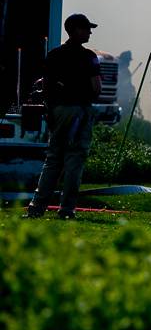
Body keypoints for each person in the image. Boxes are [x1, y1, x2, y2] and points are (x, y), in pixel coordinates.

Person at [25, 14, 101, 219]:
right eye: (86, 28)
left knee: (53, 160)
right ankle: (66, 209)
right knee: (74, 160)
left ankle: (36, 208)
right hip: (79, 111)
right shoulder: (89, 57)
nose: (90, 32)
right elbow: (96, 87)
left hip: (57, 110)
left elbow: (47, 87)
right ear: (75, 30)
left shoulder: (54, 55)